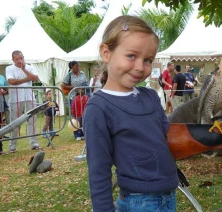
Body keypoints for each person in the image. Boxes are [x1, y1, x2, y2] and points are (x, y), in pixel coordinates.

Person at [83, 15, 178, 212]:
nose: (140, 67)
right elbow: (98, 170)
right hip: (139, 203)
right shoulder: (99, 108)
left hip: (169, 195)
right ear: (106, 52)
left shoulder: (150, 96)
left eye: (148, 60)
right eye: (132, 56)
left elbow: (167, 140)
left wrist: (208, 136)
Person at [6, 50, 41, 153]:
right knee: (15, 123)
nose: (19, 61)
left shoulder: (30, 67)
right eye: (16, 59)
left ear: (23, 57)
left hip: (29, 97)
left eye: (21, 58)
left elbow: (35, 79)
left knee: (32, 121)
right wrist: (27, 79)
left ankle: (34, 143)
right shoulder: (9, 68)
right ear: (13, 60)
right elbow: (11, 81)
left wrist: (24, 69)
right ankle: (12, 146)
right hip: (15, 99)